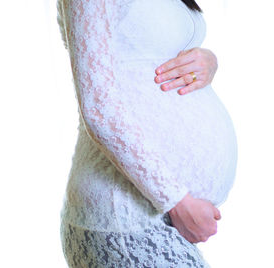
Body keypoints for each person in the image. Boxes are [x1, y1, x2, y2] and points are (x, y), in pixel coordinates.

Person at [56, 0, 238, 266]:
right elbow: (98, 108)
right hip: (123, 215)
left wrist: (208, 61)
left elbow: (149, 50)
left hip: (155, 213)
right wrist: (175, 201)